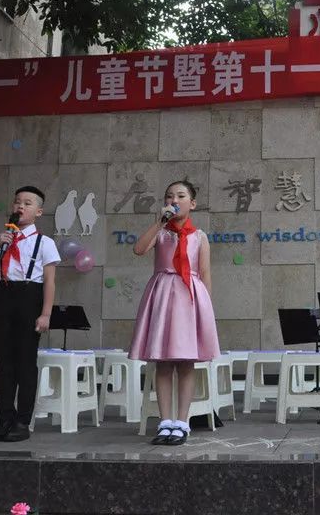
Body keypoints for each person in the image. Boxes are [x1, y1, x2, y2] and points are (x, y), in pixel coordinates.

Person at [129, 180, 220, 445]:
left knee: (186, 361)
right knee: (163, 362)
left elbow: (204, 274)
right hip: (163, 294)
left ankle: (182, 422)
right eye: (169, 196)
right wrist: (159, 222)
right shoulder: (161, 232)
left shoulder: (199, 236)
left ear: (192, 203)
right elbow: (139, 249)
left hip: (189, 297)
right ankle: (165, 422)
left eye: (181, 196)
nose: (174, 200)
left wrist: (206, 311)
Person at [0, 185, 60, 442]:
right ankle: (5, 419)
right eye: (18, 202)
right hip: (5, 296)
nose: (21, 206)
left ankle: (23, 421)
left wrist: (45, 314)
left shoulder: (45, 243)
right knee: (5, 360)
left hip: (30, 297)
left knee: (25, 362)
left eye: (28, 203)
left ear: (39, 211)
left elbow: (50, 282)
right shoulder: (0, 238)